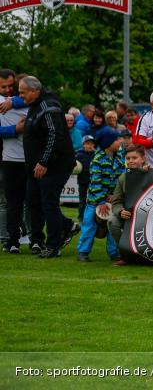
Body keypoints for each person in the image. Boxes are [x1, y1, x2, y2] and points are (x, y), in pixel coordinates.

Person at [19, 76, 79, 258]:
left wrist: (44, 161)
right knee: (33, 201)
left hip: (55, 164)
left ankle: (53, 246)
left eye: (22, 93)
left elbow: (55, 134)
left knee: (49, 203)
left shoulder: (48, 106)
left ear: (34, 91)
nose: (20, 96)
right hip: (37, 166)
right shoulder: (36, 104)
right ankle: (67, 226)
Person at [77, 127, 124, 262]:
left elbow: (121, 179)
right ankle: (83, 252)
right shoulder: (97, 160)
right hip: (94, 201)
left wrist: (114, 195)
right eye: (116, 139)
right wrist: (101, 201)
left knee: (112, 226)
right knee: (89, 226)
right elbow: (95, 182)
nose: (120, 141)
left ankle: (114, 252)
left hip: (112, 200)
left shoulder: (119, 158)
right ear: (108, 143)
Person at [0, 68, 31, 253]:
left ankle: (23, 235)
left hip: (20, 158)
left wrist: (13, 101)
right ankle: (7, 238)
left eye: (10, 86)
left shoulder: (16, 101)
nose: (7, 90)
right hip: (7, 158)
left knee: (24, 200)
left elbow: (38, 96)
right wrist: (15, 130)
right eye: (3, 87)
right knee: (8, 202)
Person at [108, 143, 149, 265]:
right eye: (128, 158)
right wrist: (120, 211)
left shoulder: (152, 173)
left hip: (148, 217)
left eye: (134, 158)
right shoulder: (123, 178)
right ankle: (126, 254)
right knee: (112, 221)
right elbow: (116, 202)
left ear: (143, 159)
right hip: (130, 216)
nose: (131, 161)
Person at [74, 135, 96, 222]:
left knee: (94, 200)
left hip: (94, 182)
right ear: (83, 144)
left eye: (91, 144)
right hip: (82, 182)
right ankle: (81, 217)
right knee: (82, 200)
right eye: (87, 143)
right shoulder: (79, 155)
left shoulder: (96, 154)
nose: (90, 145)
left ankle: (94, 217)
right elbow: (73, 166)